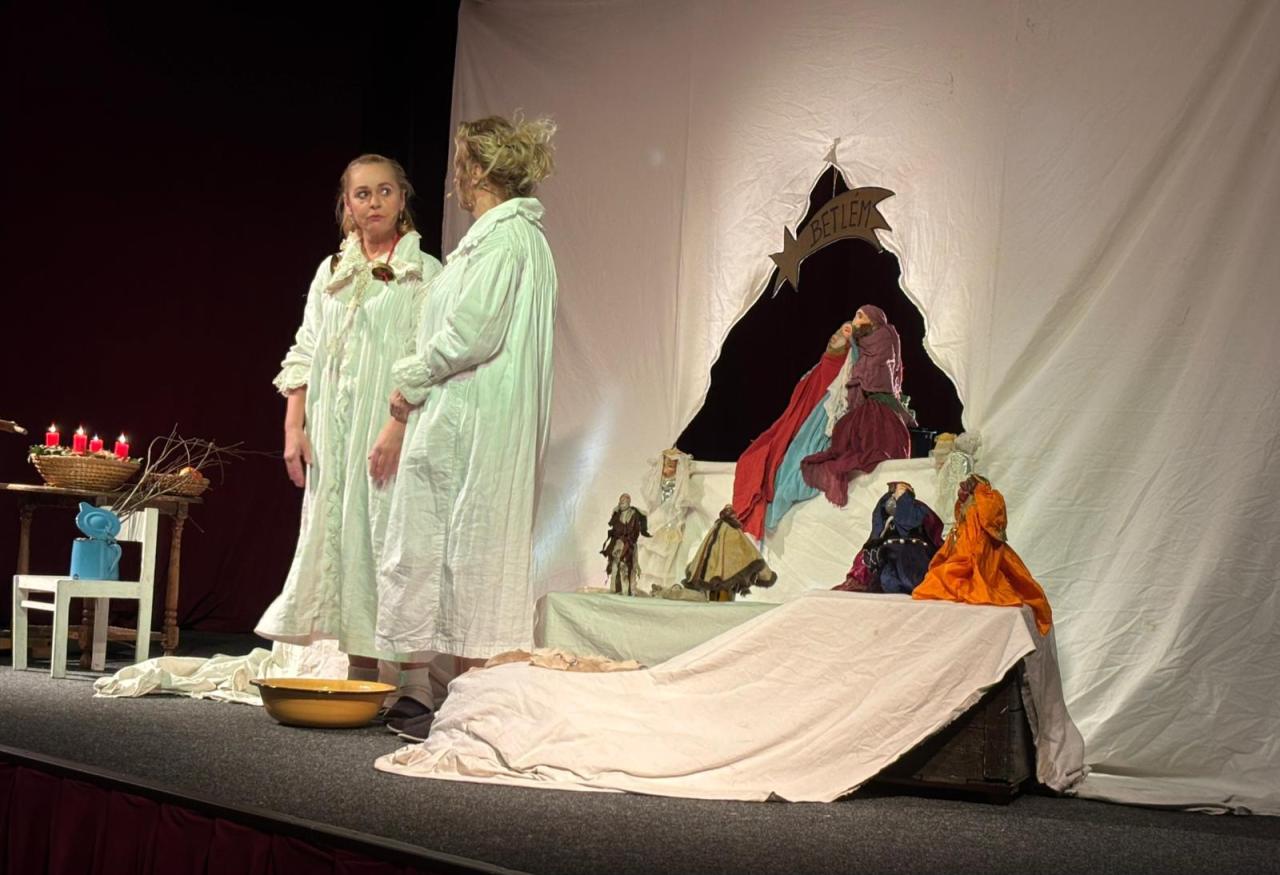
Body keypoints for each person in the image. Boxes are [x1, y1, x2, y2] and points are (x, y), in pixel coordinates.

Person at [376, 115, 558, 735]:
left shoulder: (506, 242)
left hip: (478, 421)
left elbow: (471, 333)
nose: (455, 175)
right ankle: (447, 699)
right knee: (456, 553)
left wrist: (411, 378)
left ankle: (474, 708)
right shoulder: (498, 239)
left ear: (477, 170)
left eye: (461, 164)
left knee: (475, 555)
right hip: (465, 417)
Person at [256, 154, 442, 718]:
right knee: (345, 537)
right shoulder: (331, 271)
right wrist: (294, 426)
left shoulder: (423, 272)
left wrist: (397, 426)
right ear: (347, 204)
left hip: (390, 425)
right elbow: (307, 346)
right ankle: (361, 672)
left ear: (402, 199)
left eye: (385, 191)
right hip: (335, 430)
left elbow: (424, 354)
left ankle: (415, 681)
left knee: (394, 541)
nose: (374, 202)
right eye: (362, 193)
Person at [732, 323, 852, 539]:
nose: (834, 336)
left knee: (786, 474)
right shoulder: (820, 367)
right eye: (834, 332)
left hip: (812, 432)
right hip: (795, 428)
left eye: (841, 335)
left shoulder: (841, 375)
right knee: (755, 457)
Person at [801, 305, 914, 506]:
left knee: (878, 445)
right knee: (847, 434)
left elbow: (873, 351)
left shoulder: (885, 335)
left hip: (882, 403)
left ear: (874, 319)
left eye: (861, 316)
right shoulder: (865, 341)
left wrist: (853, 335)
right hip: (869, 403)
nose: (856, 321)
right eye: (855, 316)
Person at [912, 474, 1053, 634]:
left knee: (980, 573)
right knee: (945, 573)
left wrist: (979, 493)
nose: (966, 487)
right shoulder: (970, 502)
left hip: (982, 546)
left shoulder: (989, 497)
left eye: (971, 484)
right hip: (965, 543)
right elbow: (961, 521)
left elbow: (991, 519)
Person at [834, 481, 943, 594]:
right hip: (890, 558)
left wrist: (903, 500)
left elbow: (914, 524)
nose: (897, 492)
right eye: (895, 490)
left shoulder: (919, 509)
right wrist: (874, 546)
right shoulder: (885, 508)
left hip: (915, 557)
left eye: (902, 489)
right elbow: (877, 532)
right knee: (888, 580)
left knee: (912, 579)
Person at [636, 447, 697, 593]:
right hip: (657, 518)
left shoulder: (680, 486)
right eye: (664, 465)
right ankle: (643, 583)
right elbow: (655, 499)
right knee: (649, 549)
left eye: (670, 466)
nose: (665, 470)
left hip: (669, 522)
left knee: (663, 552)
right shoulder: (658, 482)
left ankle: (658, 584)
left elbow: (677, 504)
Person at [601, 493, 650, 595]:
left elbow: (635, 530)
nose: (621, 504)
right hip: (618, 545)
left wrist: (628, 542)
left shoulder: (634, 514)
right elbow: (614, 529)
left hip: (629, 545)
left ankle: (629, 592)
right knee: (614, 567)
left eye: (623, 502)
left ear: (628, 502)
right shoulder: (617, 514)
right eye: (620, 501)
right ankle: (614, 590)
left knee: (628, 568)